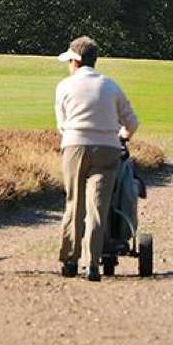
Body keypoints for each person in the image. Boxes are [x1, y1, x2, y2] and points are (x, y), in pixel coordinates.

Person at [54, 36, 139, 282]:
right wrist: (123, 136)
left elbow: (62, 125)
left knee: (75, 203)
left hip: (75, 147)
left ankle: (70, 260)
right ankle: (92, 263)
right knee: (98, 207)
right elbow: (132, 122)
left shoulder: (64, 86)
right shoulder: (110, 85)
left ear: (76, 61)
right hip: (108, 149)